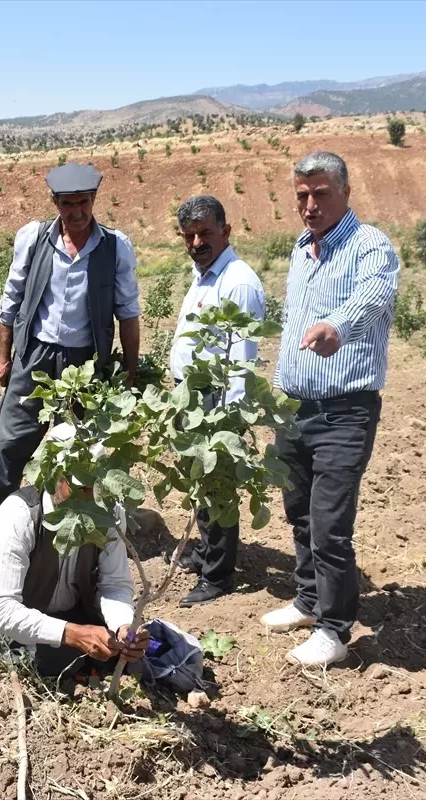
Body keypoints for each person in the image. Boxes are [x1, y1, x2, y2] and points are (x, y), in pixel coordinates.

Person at [0, 162, 142, 548]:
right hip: (35, 354)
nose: (76, 213)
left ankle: (77, 524)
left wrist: (130, 367)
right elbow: (12, 298)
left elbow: (128, 310)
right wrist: (4, 355)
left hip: (86, 361)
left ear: (94, 201)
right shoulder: (34, 237)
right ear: (55, 203)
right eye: (67, 204)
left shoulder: (114, 246)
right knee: (9, 440)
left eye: (83, 203)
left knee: (84, 445)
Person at [262, 152, 399, 668]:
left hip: (345, 411)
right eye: (302, 195)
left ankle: (335, 631)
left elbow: (374, 297)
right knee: (298, 512)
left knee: (329, 525)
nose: (310, 205)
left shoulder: (370, 245)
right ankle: (307, 599)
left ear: (345, 191)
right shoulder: (302, 249)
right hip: (296, 408)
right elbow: (294, 324)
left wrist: (338, 325)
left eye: (320, 193)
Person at [0, 423, 149, 676]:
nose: (87, 497)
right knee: (56, 659)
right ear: (54, 476)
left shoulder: (109, 514)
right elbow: (2, 609)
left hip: (73, 612)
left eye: (94, 486)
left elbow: (115, 584)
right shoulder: (19, 514)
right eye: (78, 487)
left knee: (125, 652)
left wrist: (122, 625)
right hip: (14, 617)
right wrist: (73, 634)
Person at [167, 195, 265, 607]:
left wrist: (229, 420)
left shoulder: (237, 281)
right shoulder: (204, 273)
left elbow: (241, 357)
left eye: (205, 232)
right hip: (193, 397)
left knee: (218, 486)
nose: (195, 242)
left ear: (226, 231)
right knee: (201, 483)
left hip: (218, 401)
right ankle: (207, 552)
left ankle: (218, 576)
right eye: (188, 235)